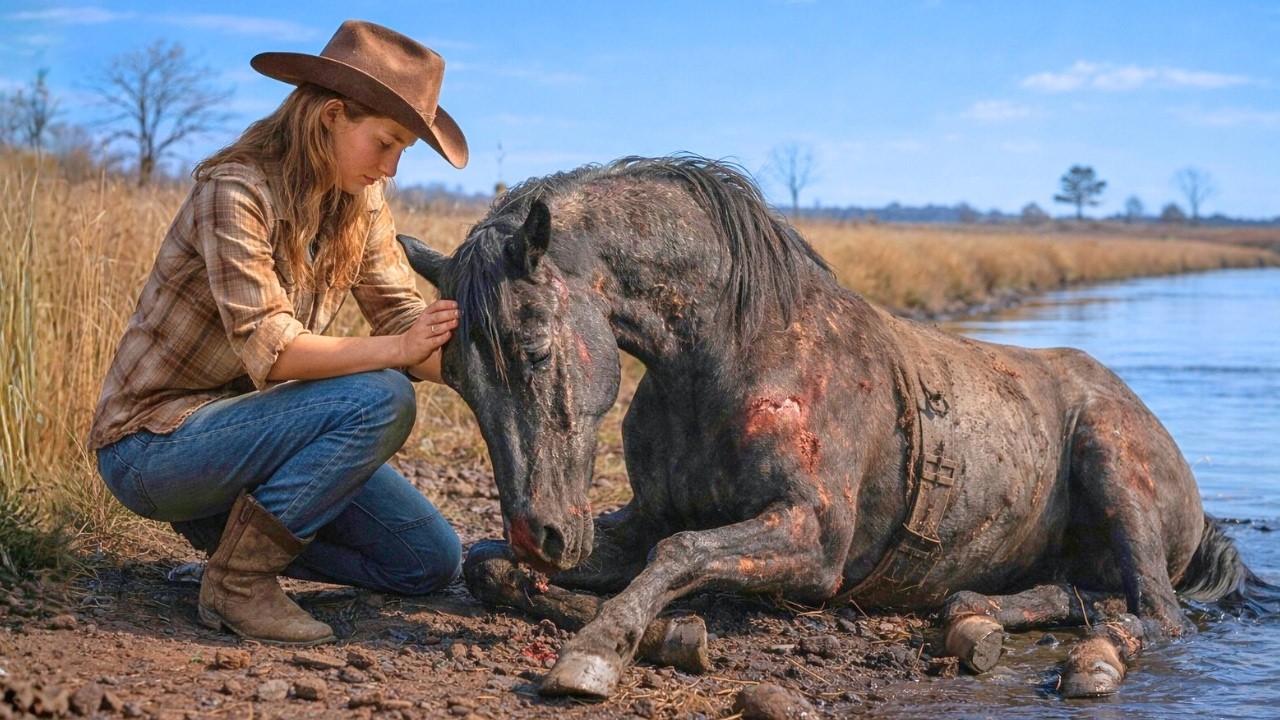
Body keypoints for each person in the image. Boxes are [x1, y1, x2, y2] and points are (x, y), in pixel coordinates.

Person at [88, 20, 470, 647]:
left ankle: (228, 538)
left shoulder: (361, 202)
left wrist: (487, 368)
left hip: (255, 439)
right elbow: (276, 348)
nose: (391, 168)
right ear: (331, 117)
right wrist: (400, 352)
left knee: (427, 561)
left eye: (402, 151)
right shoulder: (235, 191)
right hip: (154, 448)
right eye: (385, 143)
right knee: (381, 397)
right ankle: (238, 582)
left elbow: (403, 317)